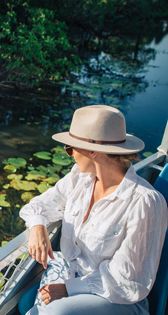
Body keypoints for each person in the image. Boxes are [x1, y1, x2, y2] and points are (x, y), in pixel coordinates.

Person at [19, 105, 167, 315]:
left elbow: (126, 282)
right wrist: (37, 226)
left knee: (55, 313)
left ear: (94, 151)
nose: (69, 155)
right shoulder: (79, 178)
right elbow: (36, 206)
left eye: (70, 148)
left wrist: (68, 289)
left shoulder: (144, 203)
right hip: (71, 277)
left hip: (116, 299)